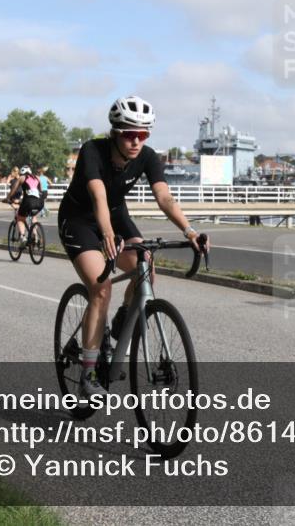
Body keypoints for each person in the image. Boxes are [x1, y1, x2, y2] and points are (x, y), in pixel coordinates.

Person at [57, 96, 205, 397]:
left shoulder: (148, 157)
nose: (136, 141)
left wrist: (189, 231)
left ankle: (123, 317)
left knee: (146, 265)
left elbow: (164, 198)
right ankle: (88, 372)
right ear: (115, 132)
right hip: (80, 220)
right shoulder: (92, 151)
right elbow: (98, 196)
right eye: (129, 134)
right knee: (101, 289)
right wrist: (108, 235)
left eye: (143, 134)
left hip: (115, 216)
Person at [3, 166, 43, 241]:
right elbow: (41, 191)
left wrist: (7, 198)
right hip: (39, 202)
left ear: (22, 173)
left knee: (20, 218)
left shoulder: (22, 178)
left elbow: (13, 190)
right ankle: (35, 234)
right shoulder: (37, 178)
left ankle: (22, 236)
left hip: (29, 201)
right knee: (33, 216)